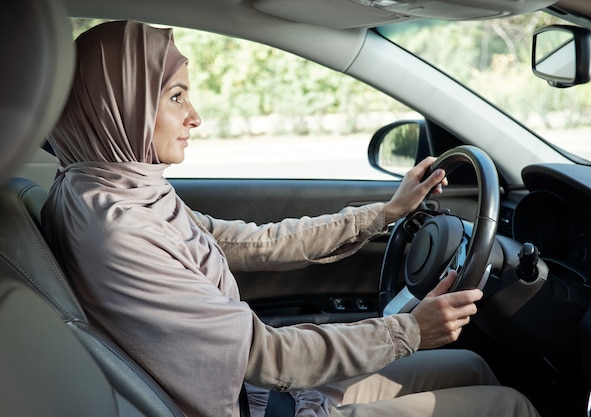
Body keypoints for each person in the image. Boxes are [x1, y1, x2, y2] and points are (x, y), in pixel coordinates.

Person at [41, 20, 540, 417]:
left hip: (254, 391)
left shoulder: (120, 187)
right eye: (174, 97)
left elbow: (250, 244)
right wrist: (409, 331)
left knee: (472, 365)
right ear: (117, 105)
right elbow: (266, 356)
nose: (195, 116)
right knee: (512, 405)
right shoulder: (117, 228)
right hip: (251, 402)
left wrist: (385, 213)